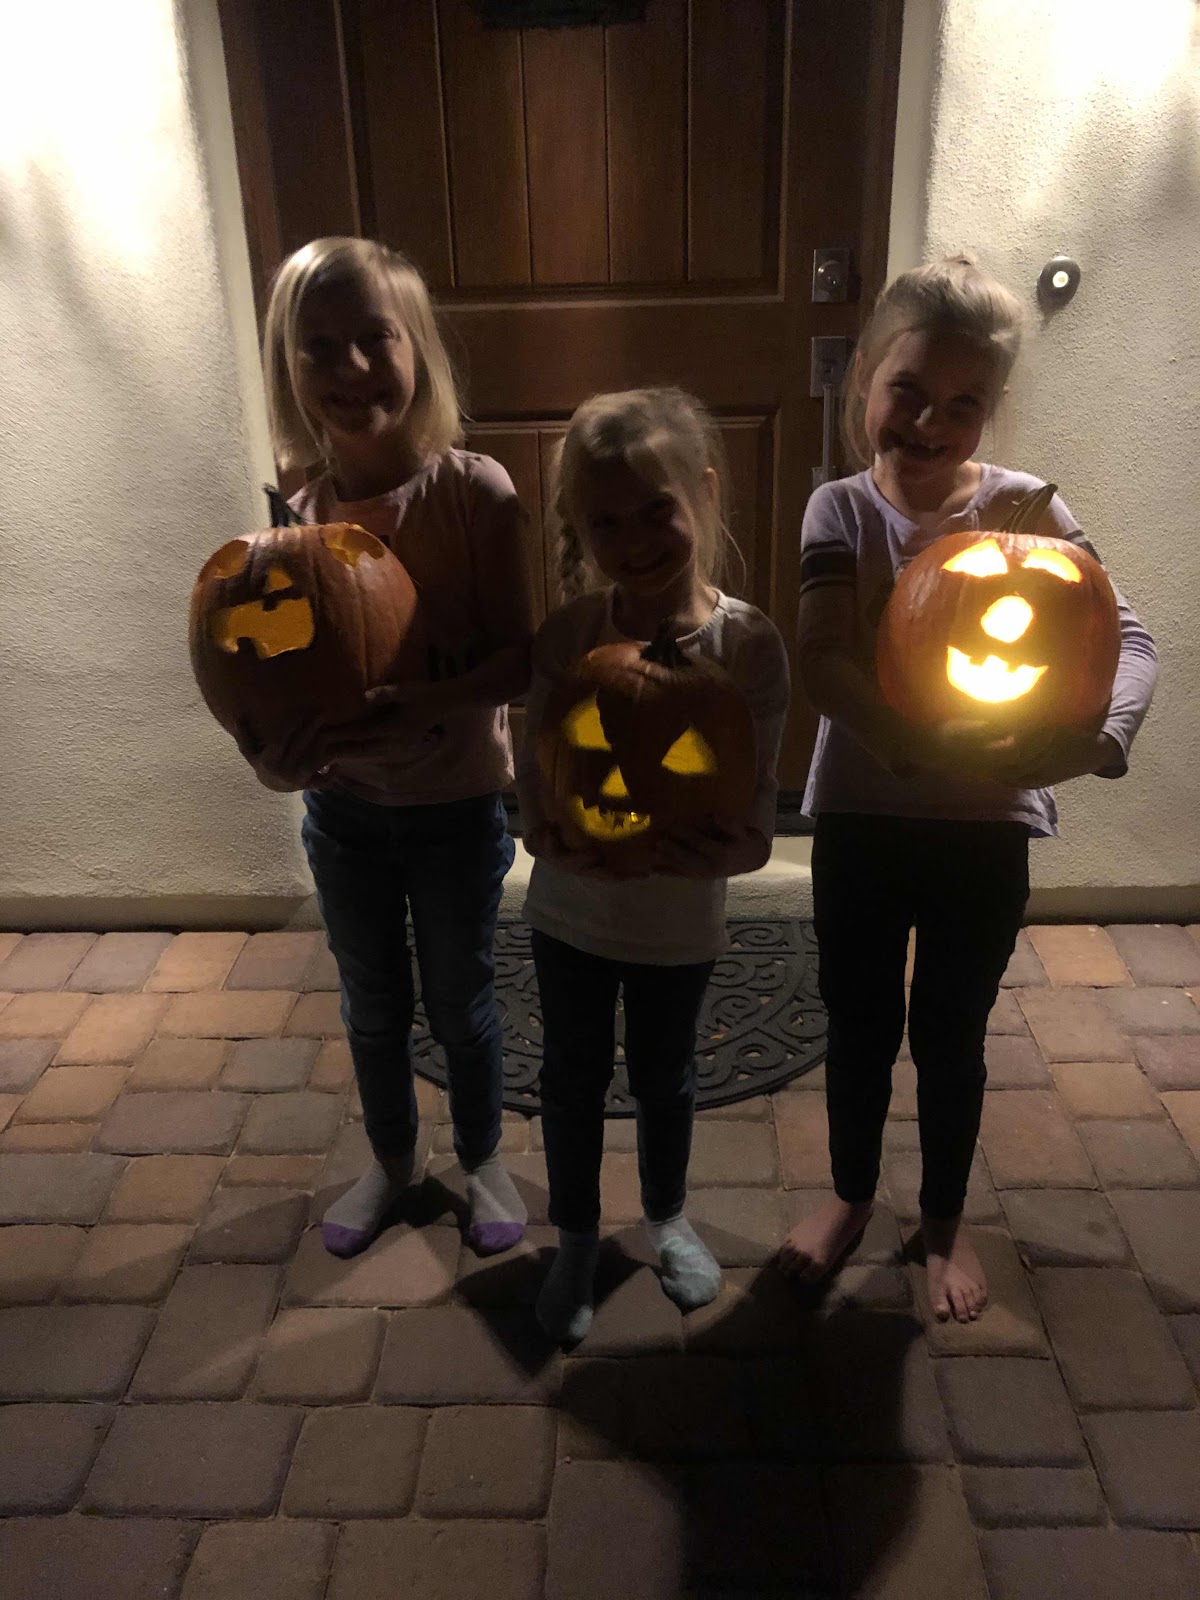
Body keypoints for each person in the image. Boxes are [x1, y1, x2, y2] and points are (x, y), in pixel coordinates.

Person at [779, 254, 1158, 1321]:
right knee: (858, 1022)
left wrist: (1095, 745)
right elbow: (825, 659)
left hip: (985, 830)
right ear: (866, 378)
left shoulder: (1031, 511)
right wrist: (913, 747)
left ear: (991, 410)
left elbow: (1128, 638)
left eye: (963, 404)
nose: (929, 422)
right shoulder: (840, 512)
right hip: (866, 816)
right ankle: (851, 1194)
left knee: (952, 1030)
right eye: (908, 390)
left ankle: (943, 1219)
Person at [239, 236, 534, 1259]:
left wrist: (428, 703)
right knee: (371, 1003)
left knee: (460, 998)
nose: (352, 367)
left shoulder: (475, 494)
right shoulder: (295, 517)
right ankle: (395, 1158)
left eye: (376, 339)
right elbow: (262, 675)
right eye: (320, 348)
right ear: (287, 368)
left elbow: (519, 660)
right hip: (345, 815)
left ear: (419, 352)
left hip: (455, 807)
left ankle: (482, 1155)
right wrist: (269, 762)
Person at [517, 387, 791, 1342]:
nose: (632, 540)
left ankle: (667, 1217)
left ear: (704, 495)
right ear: (579, 528)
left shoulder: (748, 647)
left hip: (681, 925)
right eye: (606, 522)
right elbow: (538, 784)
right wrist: (550, 835)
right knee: (570, 1076)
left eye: (655, 512)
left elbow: (756, 814)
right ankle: (577, 1237)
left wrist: (733, 848)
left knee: (666, 1076)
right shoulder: (568, 639)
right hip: (571, 918)